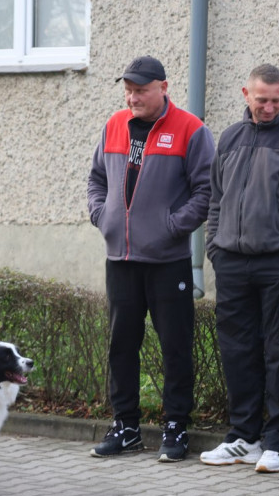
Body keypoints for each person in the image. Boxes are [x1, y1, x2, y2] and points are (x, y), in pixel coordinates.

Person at [201, 63, 279, 473]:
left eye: (277, 99)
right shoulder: (230, 138)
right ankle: (243, 438)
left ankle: (278, 443)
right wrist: (215, 248)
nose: (270, 107)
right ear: (246, 94)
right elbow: (216, 199)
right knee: (237, 353)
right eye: (262, 100)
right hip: (232, 263)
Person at [86, 55, 214, 463]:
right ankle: (125, 426)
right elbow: (96, 180)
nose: (132, 96)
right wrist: (100, 215)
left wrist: (172, 227)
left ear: (163, 87)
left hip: (167, 259)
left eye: (141, 89)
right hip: (119, 256)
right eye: (128, 89)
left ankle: (176, 425)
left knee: (175, 345)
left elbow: (205, 191)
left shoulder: (191, 129)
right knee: (121, 344)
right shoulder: (113, 126)